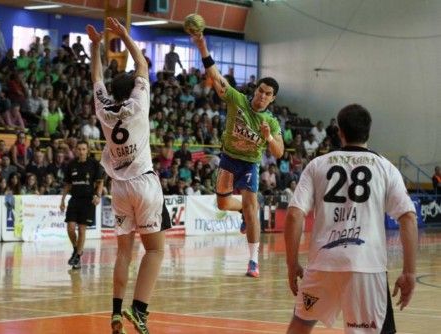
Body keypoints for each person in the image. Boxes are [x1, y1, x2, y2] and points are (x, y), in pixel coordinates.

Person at [284, 104, 418, 334]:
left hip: (322, 264)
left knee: (300, 326)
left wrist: (291, 263)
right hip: (365, 267)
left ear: (339, 132)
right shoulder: (385, 167)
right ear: (368, 131)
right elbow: (408, 218)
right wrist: (409, 272)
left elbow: (294, 214)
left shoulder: (318, 164)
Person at [87, 18, 171, 334]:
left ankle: (115, 312)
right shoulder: (138, 104)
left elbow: (96, 76)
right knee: (155, 249)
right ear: (131, 89)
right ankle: (140, 311)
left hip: (119, 187)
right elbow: (142, 65)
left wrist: (95, 47)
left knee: (123, 252)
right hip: (144, 183)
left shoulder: (104, 110)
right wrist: (125, 36)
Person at [191, 32, 284, 278]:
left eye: (268, 94)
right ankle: (243, 209)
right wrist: (202, 46)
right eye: (260, 91)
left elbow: (279, 152)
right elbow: (215, 75)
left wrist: (269, 138)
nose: (262, 96)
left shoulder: (271, 123)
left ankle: (253, 261)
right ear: (256, 90)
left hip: (250, 165)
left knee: (252, 207)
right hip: (228, 158)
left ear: (272, 99)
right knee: (222, 204)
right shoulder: (237, 100)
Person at [60, 141, 104, 270]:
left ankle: (78, 256)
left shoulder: (94, 164)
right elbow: (67, 184)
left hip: (88, 200)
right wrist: (62, 200)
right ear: (75, 150)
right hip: (74, 199)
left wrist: (98, 195)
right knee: (70, 228)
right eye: (79, 149)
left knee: (82, 229)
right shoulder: (71, 165)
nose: (81, 151)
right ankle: (76, 248)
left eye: (84, 149)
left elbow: (100, 182)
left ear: (87, 150)